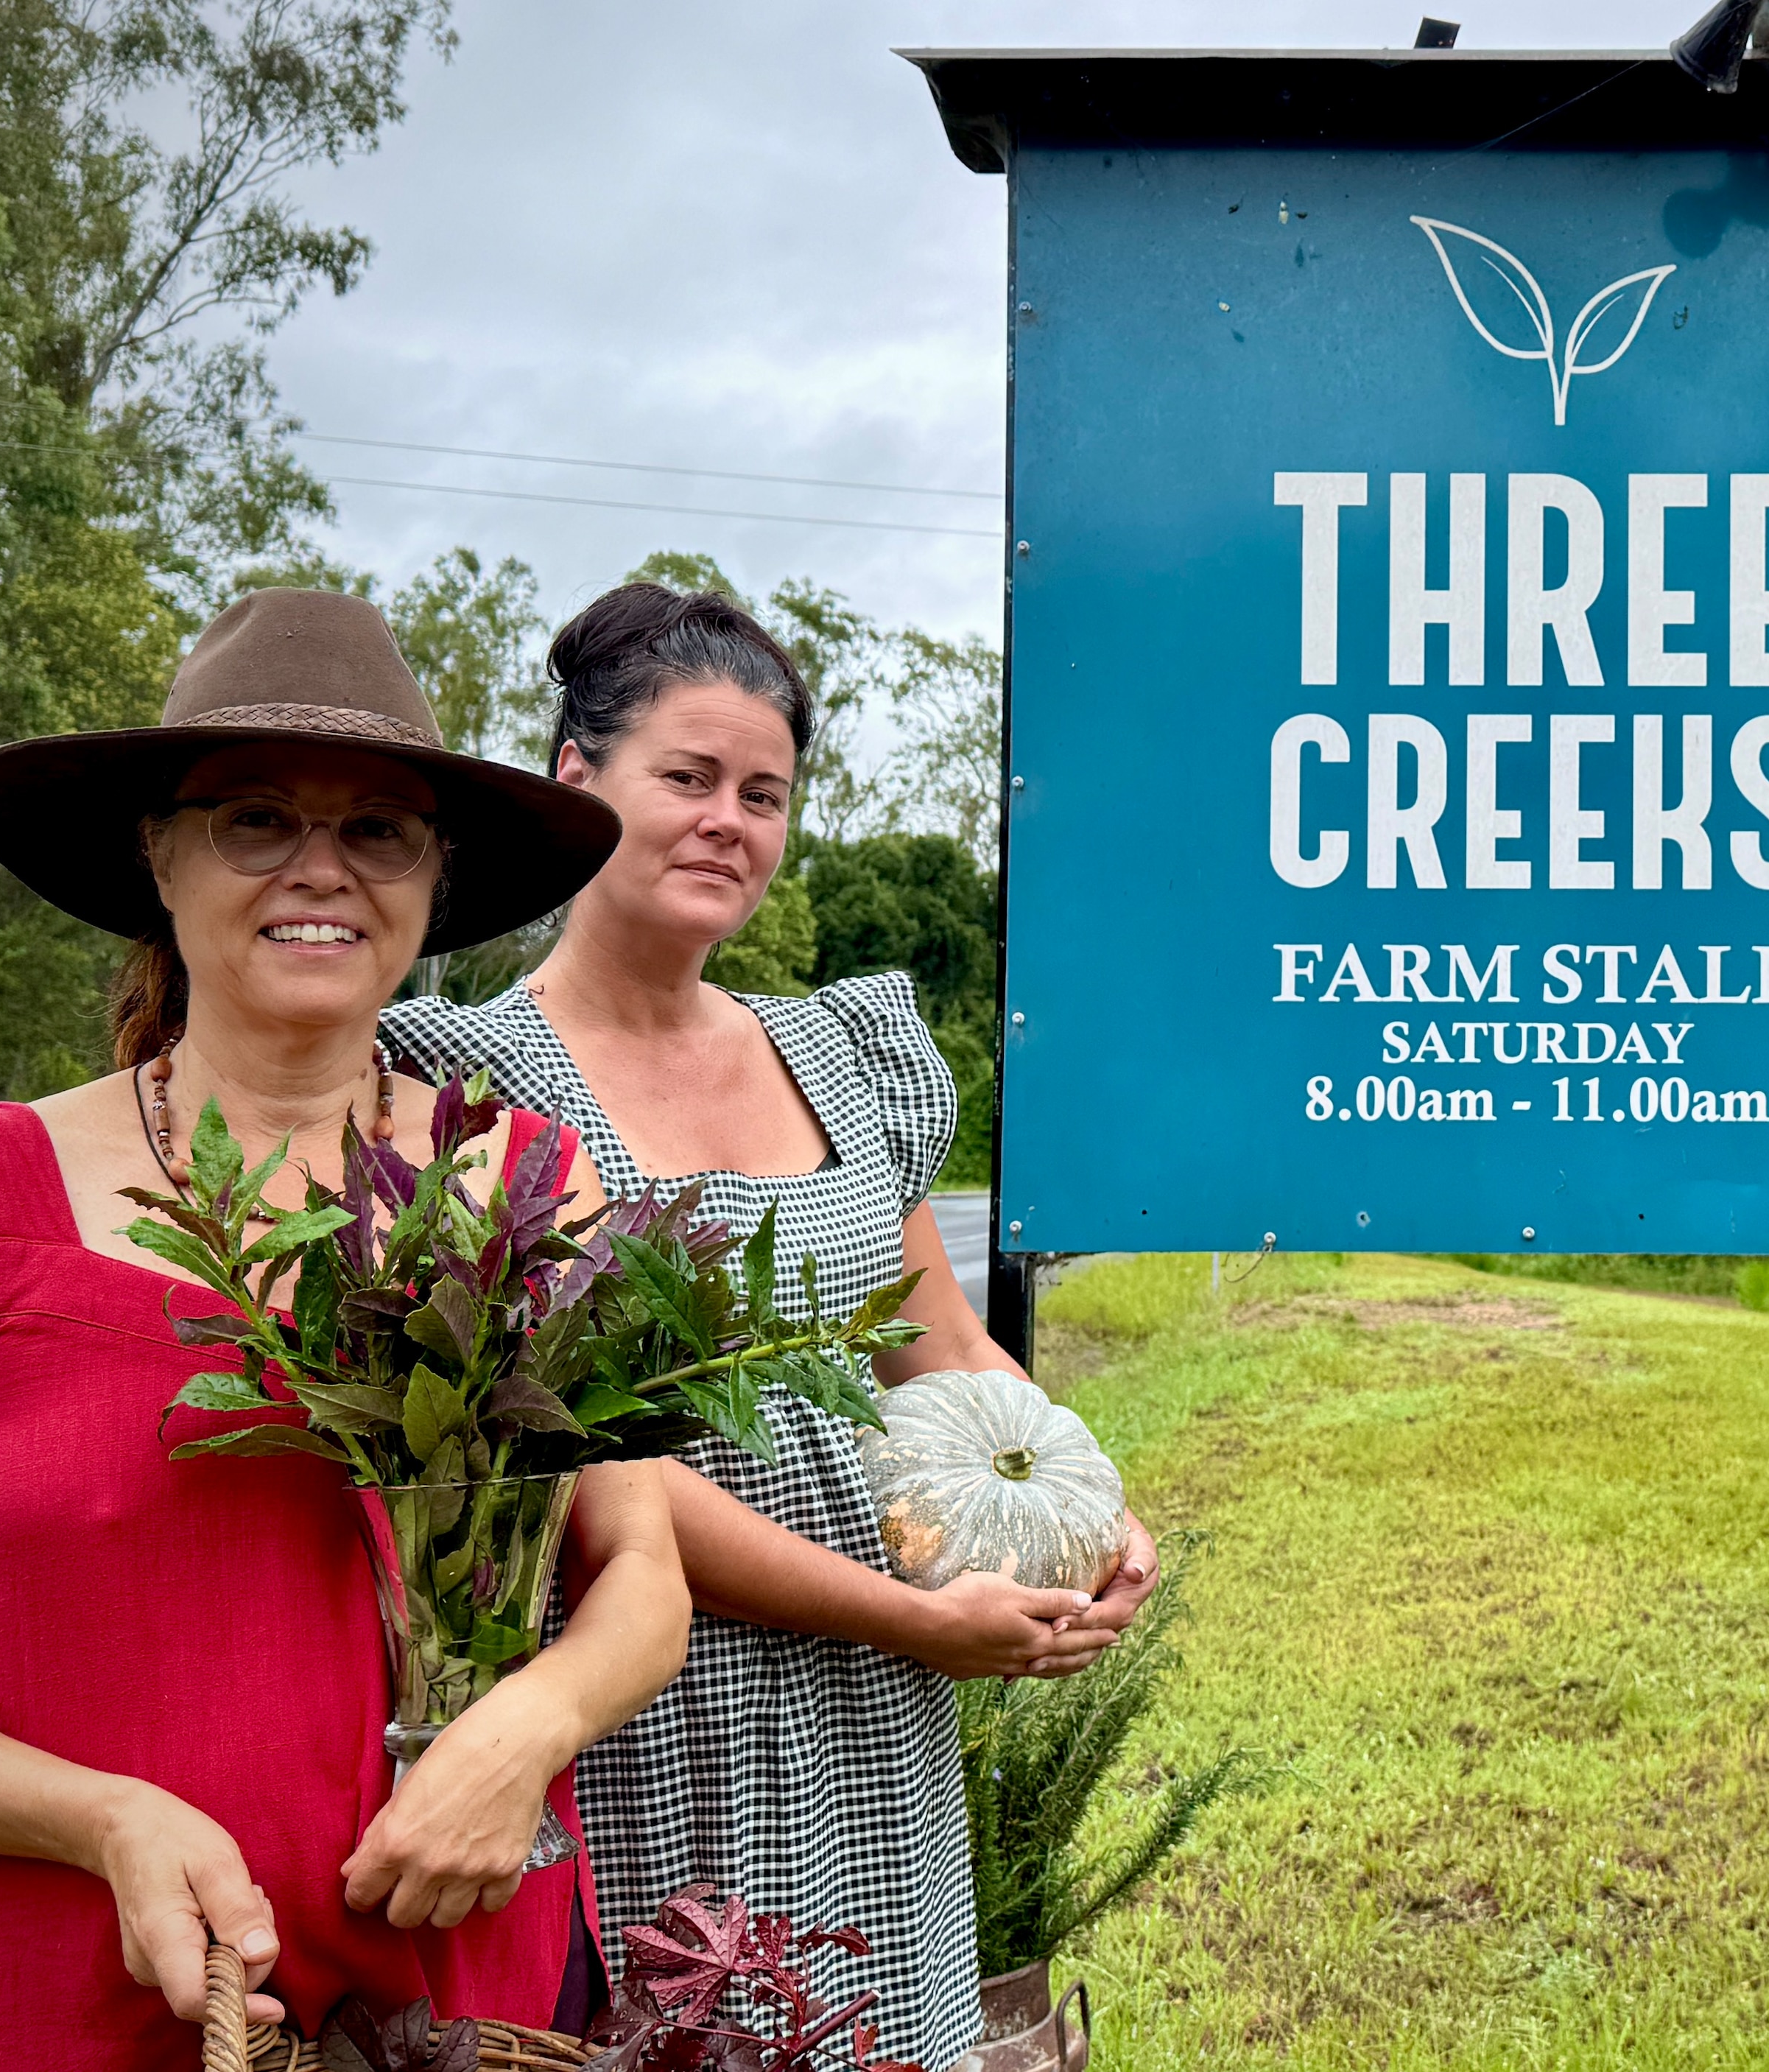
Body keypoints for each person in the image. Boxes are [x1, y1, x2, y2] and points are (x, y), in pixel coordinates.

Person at [0, 589, 688, 2062]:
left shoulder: (525, 1188)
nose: (321, 869)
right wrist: (99, 1819)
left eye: (379, 829)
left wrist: (532, 1726)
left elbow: (642, 1571)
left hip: (455, 2008)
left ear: (436, 876)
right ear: (158, 852)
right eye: (255, 818)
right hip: (47, 1995)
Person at [380, 581, 1158, 2065]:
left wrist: (1086, 1497)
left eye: (763, 794)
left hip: (883, 1710)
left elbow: (941, 1348)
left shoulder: (838, 1051)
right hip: (647, 1699)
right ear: (577, 777)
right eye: (686, 777)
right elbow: (581, 1471)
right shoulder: (464, 1081)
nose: (725, 822)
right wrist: (912, 1615)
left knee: (877, 2024)